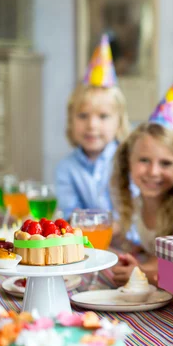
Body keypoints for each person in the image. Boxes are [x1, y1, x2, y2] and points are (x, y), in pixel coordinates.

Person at [110, 73, 173, 286]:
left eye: (166, 164)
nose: (153, 171)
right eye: (144, 160)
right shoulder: (137, 202)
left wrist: (139, 269)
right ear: (128, 161)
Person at [56, 34, 129, 220]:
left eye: (103, 116)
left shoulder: (128, 162)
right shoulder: (66, 168)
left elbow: (136, 213)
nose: (92, 125)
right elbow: (71, 216)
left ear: (119, 122)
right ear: (71, 121)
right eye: (82, 116)